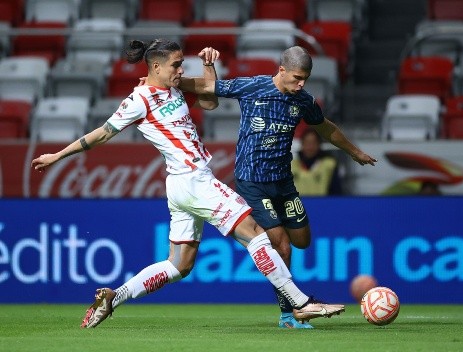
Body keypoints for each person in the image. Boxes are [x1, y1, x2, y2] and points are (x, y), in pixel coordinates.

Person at [31, 40, 345, 329]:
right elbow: (101, 133)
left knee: (179, 265)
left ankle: (114, 297)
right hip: (192, 180)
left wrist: (208, 66)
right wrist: (58, 155)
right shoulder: (139, 99)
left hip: (182, 186)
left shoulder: (176, 90)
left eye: (182, 64)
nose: (181, 70)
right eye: (176, 65)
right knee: (256, 234)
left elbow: (210, 104)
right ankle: (299, 303)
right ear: (155, 67)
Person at [180, 46, 377, 328]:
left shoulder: (303, 100)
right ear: (281, 70)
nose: (302, 84)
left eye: (305, 78)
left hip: (284, 183)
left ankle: (285, 293)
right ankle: (289, 314)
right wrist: (167, 81)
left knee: (301, 241)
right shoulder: (253, 87)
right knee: (282, 246)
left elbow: (324, 128)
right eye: (297, 77)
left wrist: (354, 152)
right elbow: (207, 86)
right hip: (252, 182)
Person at [291, 127, 343, 196]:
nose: (310, 146)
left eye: (313, 142)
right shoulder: (291, 165)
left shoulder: (329, 164)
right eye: (307, 142)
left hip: (322, 205)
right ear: (302, 144)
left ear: (319, 144)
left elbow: (336, 192)